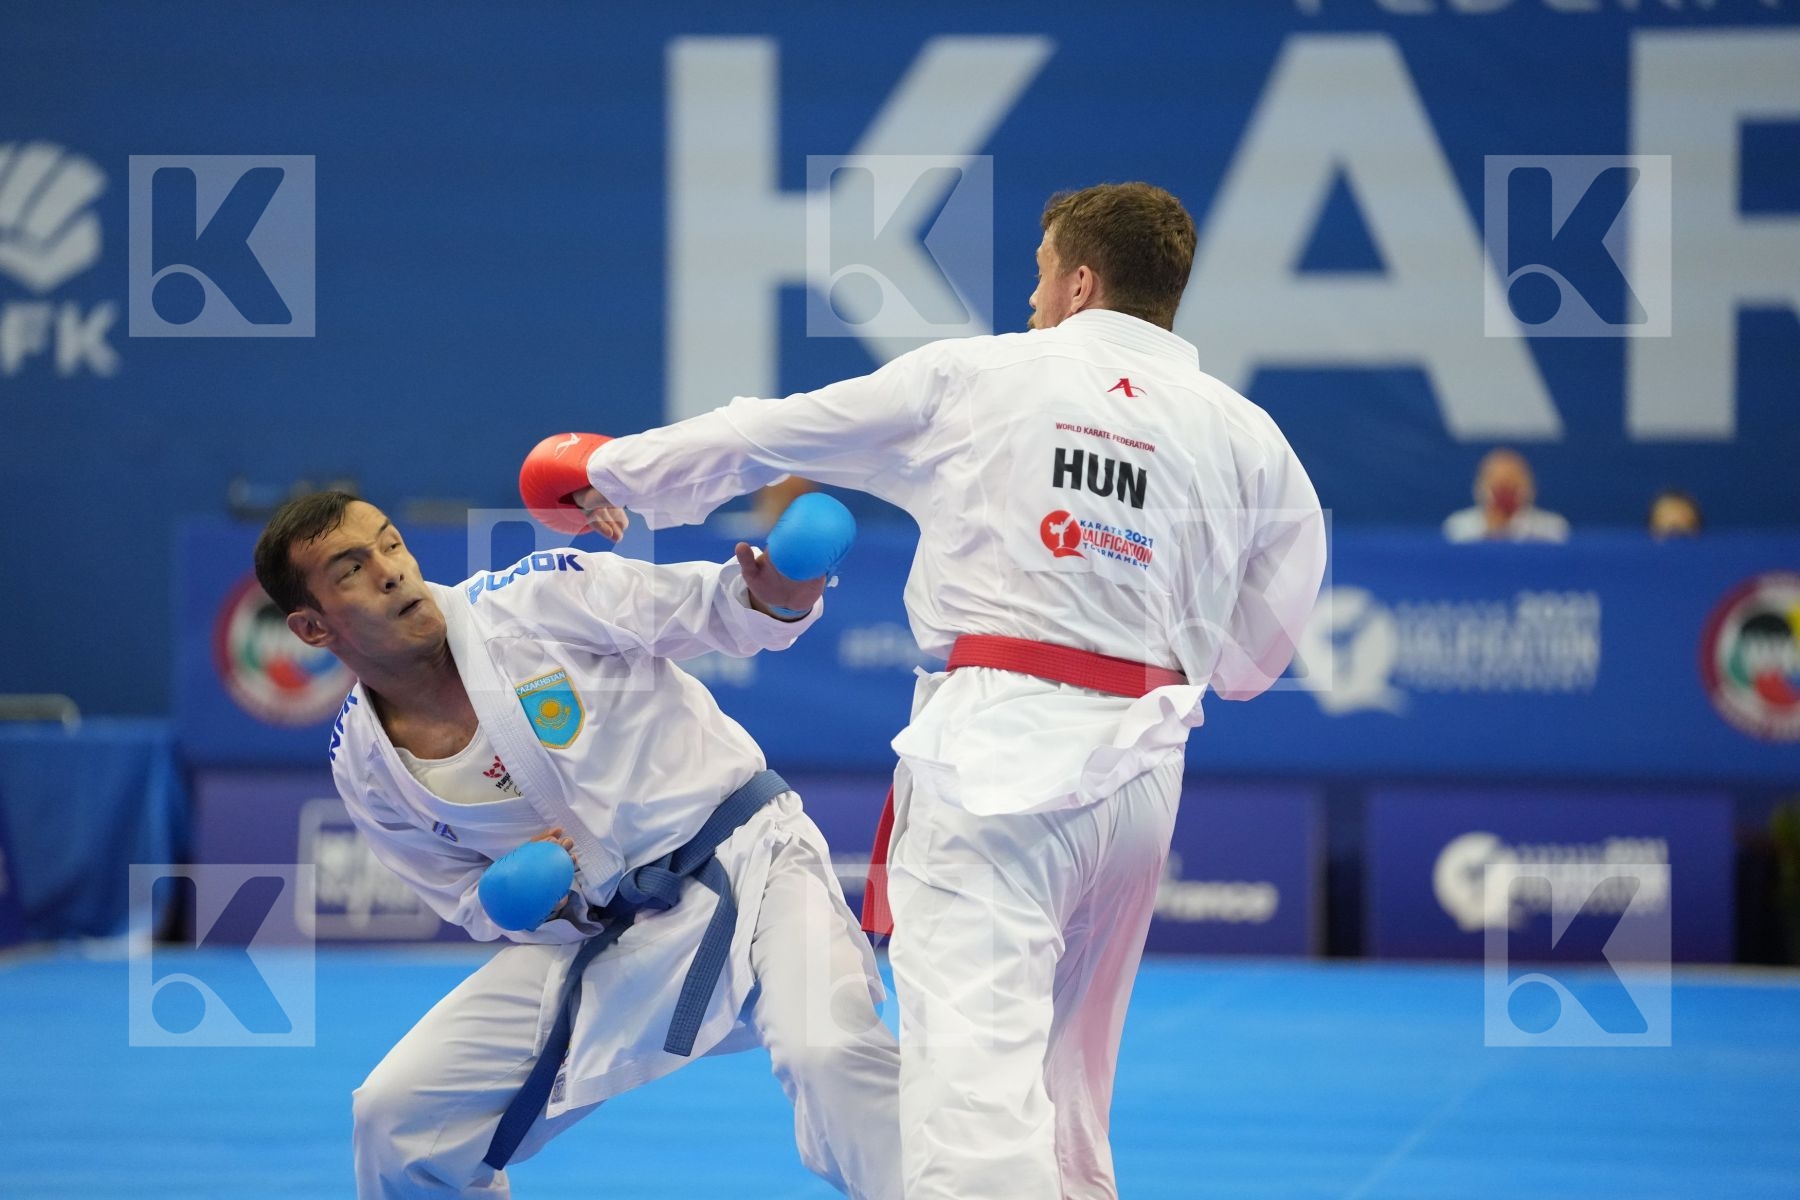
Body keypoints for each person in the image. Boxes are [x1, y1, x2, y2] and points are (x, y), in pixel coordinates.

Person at [537, 183, 1326, 1199]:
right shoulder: (1252, 439)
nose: (1033, 296)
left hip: (1000, 763)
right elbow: (1257, 663)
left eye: (1043, 273)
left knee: (973, 1106)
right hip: (1143, 775)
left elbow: (770, 429)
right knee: (1068, 1105)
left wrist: (608, 468)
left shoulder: (985, 375)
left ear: (1081, 280)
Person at [251, 491, 901, 1199]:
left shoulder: (533, 599)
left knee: (831, 1051)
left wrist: (776, 593)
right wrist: (525, 899)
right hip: (604, 940)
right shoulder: (365, 764)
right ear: (312, 627)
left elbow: (713, 603)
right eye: (351, 569)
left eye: (390, 544)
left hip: (754, 865)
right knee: (397, 1118)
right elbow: (469, 898)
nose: (391, 572)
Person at [1442, 447, 1569, 543]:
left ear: (1530, 488)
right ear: (1478, 488)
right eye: (1497, 485)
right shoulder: (1459, 526)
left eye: (1512, 484)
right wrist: (1491, 529)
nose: (1504, 493)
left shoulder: (1551, 528)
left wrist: (1512, 527)